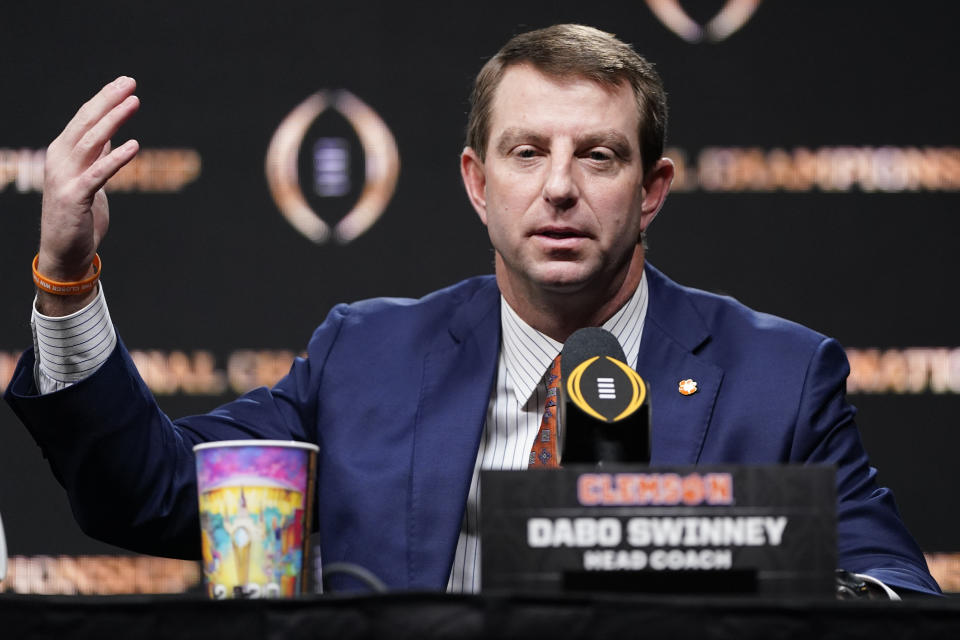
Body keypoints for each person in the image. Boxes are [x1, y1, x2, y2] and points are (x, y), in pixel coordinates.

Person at [4, 24, 941, 596]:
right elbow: (153, 494)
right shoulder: (365, 355)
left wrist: (731, 573)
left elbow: (894, 597)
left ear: (652, 189)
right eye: (527, 153)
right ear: (476, 182)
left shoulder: (779, 377)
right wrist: (67, 273)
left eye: (600, 156)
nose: (561, 189)